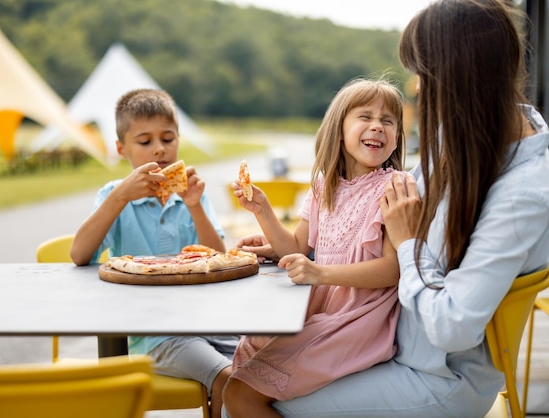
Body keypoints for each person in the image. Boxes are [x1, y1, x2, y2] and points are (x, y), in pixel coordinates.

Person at [226, 1, 549, 417]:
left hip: (435, 376)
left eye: (424, 74)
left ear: (460, 77)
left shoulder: (523, 195)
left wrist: (409, 243)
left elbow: (451, 327)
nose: (416, 88)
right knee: (239, 370)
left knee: (243, 396)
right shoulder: (466, 141)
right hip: (398, 346)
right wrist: (290, 244)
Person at [223, 78, 406, 418]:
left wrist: (319, 271)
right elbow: (294, 246)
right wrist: (263, 211)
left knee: (238, 392)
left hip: (358, 320)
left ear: (397, 138)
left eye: (388, 121)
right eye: (365, 117)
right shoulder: (324, 186)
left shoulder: (395, 186)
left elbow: (393, 269)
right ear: (339, 130)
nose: (378, 127)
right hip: (320, 311)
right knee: (245, 353)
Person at [69, 88, 236, 418]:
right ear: (121, 149)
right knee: (230, 381)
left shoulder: (192, 195)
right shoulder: (113, 196)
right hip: (156, 336)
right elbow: (79, 254)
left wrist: (194, 207)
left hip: (209, 321)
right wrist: (119, 197)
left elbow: (220, 260)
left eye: (168, 138)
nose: (159, 149)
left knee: (259, 370)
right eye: (145, 142)